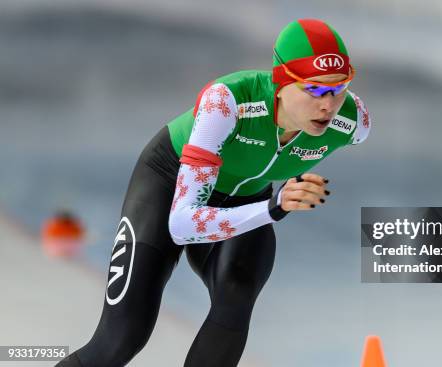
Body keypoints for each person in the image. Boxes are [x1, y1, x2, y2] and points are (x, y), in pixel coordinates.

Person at [57, 18, 371, 367]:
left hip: (247, 198)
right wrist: (274, 208)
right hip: (170, 184)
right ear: (281, 84)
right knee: (120, 339)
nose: (328, 105)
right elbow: (182, 224)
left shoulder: (353, 122)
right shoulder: (227, 102)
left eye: (339, 88)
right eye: (314, 90)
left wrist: (269, 205)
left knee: (236, 293)